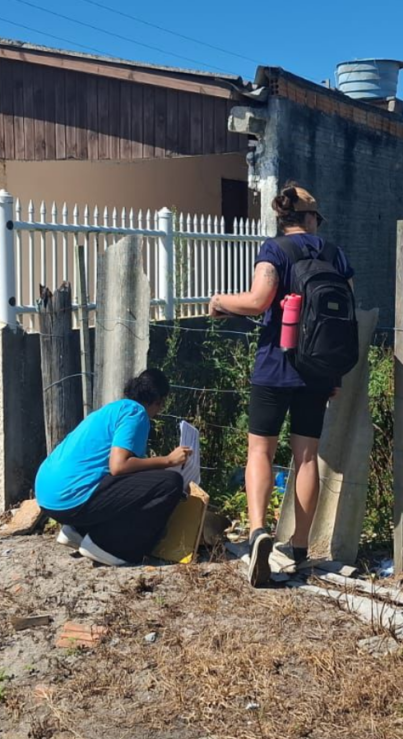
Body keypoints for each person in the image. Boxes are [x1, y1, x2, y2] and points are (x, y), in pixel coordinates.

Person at [209, 184, 355, 586]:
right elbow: (345, 320)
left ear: (282, 218)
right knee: (307, 457)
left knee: (261, 449)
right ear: (310, 219)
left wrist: (220, 300)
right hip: (318, 369)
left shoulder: (273, 251)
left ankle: (258, 532)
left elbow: (258, 301)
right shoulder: (335, 254)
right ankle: (301, 547)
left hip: (275, 364)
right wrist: (335, 374)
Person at [35, 369, 191, 566]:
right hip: (70, 499)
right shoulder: (136, 413)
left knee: (141, 483)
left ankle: (77, 530)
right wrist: (168, 461)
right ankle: (107, 547)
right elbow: (119, 466)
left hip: (48, 495)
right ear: (158, 401)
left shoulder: (111, 410)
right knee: (170, 483)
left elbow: (120, 473)